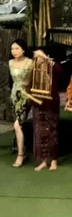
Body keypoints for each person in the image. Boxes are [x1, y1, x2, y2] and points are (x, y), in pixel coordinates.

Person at [31, 47, 63, 172]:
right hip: (38, 103)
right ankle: (43, 160)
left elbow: (60, 71)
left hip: (51, 103)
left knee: (52, 131)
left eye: (40, 56)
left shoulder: (52, 66)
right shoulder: (33, 69)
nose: (38, 59)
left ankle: (54, 160)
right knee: (40, 133)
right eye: (36, 57)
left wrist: (45, 59)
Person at [9, 39, 32, 167]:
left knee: (17, 124)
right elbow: (10, 81)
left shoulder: (30, 63)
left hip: (25, 96)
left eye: (17, 48)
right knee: (18, 125)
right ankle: (22, 148)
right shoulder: (10, 63)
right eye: (12, 49)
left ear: (23, 49)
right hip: (14, 96)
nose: (14, 51)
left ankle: (20, 155)